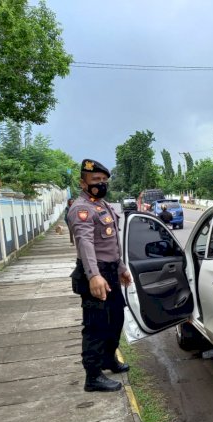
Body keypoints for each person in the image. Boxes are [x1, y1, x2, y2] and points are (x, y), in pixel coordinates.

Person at [68, 159, 132, 392]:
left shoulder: (102, 205)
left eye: (104, 180)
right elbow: (85, 243)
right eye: (96, 180)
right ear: (83, 182)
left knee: (115, 320)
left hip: (110, 270)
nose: (101, 184)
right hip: (94, 273)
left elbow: (111, 244)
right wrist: (94, 276)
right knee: (95, 326)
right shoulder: (81, 209)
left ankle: (108, 359)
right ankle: (93, 376)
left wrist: (122, 267)